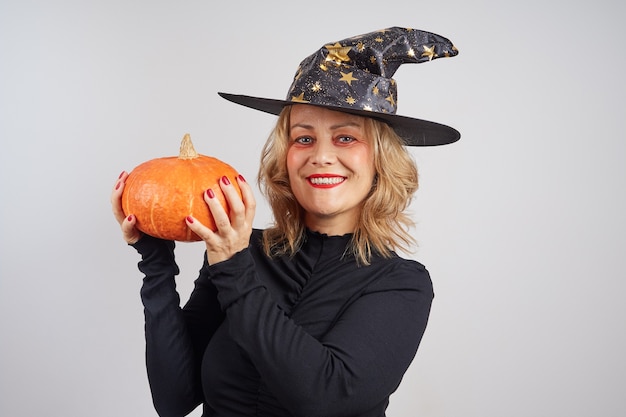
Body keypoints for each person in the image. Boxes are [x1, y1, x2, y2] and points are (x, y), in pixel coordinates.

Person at [111, 27, 459, 417]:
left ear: (380, 160)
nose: (322, 156)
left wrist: (233, 269)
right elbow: (174, 400)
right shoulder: (244, 252)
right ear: (285, 157)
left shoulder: (401, 284)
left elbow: (324, 396)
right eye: (304, 139)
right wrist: (155, 259)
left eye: (345, 138)